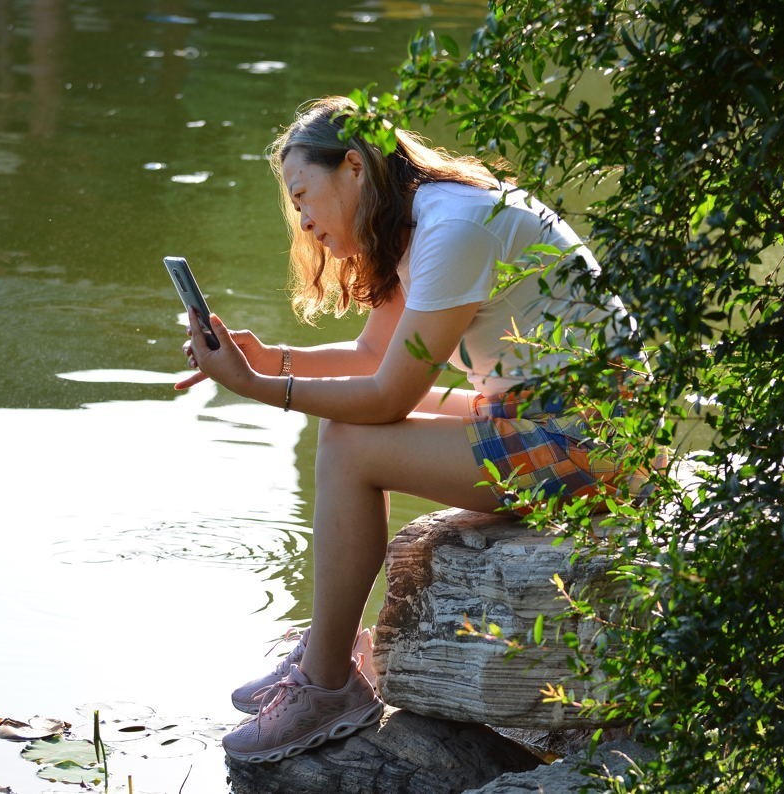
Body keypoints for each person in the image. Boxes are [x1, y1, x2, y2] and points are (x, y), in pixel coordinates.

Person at [176, 95, 649, 764]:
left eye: (304, 195)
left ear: (354, 169)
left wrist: (256, 388)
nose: (304, 220)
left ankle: (327, 683)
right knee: (347, 431)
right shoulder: (419, 223)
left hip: (591, 439)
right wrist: (264, 359)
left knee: (349, 444)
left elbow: (390, 392)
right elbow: (374, 358)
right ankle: (328, 656)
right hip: (540, 416)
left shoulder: (453, 229)